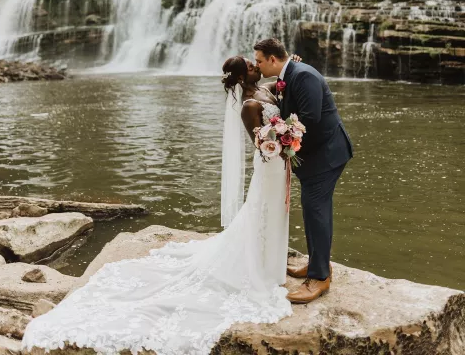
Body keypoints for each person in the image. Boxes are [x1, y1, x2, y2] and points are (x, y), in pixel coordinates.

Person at [21, 55, 299, 355]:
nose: (257, 67)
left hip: (280, 164)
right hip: (270, 162)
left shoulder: (264, 89)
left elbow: (278, 83)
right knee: (261, 211)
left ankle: (270, 259)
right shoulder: (247, 104)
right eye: (251, 65)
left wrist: (291, 67)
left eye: (256, 63)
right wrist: (281, 141)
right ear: (243, 76)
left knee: (270, 212)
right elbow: (260, 142)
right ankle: (261, 265)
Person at [254, 38, 353, 304]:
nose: (257, 65)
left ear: (273, 59)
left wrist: (279, 138)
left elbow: (309, 119)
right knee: (313, 210)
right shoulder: (290, 74)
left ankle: (319, 277)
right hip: (316, 155)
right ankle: (315, 265)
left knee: (316, 211)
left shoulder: (304, 75)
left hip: (327, 155)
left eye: (259, 60)